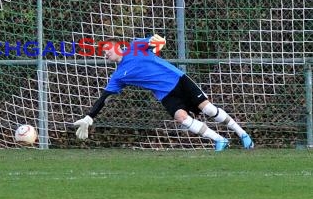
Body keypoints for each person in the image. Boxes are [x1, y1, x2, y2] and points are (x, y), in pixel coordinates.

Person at [74, 35, 254, 151]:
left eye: (107, 49)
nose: (105, 53)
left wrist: (156, 41)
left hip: (179, 80)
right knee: (182, 118)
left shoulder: (136, 46)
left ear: (117, 47)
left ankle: (242, 134)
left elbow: (159, 41)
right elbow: (104, 98)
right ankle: (220, 140)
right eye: (103, 52)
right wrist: (89, 117)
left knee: (209, 110)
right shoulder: (118, 76)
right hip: (165, 94)